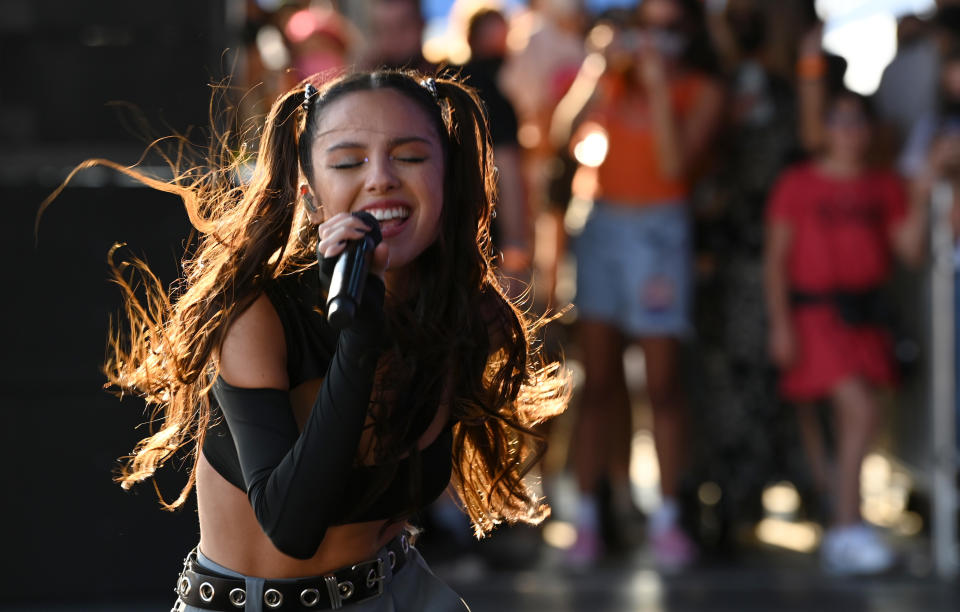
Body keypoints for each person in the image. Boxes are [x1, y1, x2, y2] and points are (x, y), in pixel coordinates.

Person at [46, 69, 569, 610]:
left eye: (410, 156)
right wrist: (359, 340)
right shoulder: (259, 313)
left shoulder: (461, 312)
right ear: (312, 198)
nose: (381, 178)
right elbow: (291, 526)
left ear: (449, 178)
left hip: (400, 588)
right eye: (348, 162)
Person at [553, 1, 724, 568]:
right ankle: (588, 519)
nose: (656, 40)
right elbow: (564, 136)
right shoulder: (612, 81)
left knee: (663, 384)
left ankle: (669, 518)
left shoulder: (700, 90)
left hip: (660, 233)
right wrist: (595, 73)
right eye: (648, 27)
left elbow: (675, 167)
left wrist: (654, 87)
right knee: (598, 383)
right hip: (601, 226)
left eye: (669, 28)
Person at [764, 90, 927, 575]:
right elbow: (775, 262)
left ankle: (844, 526)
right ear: (825, 129)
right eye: (840, 121)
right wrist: (779, 324)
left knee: (856, 425)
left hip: (865, 319)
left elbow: (910, 252)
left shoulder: (885, 186)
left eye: (859, 123)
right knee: (859, 410)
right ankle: (846, 524)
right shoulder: (798, 184)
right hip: (814, 316)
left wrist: (925, 186)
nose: (850, 133)